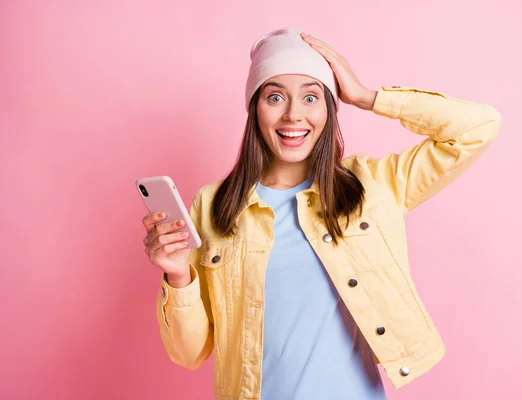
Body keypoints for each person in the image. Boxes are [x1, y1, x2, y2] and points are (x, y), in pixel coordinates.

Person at [141, 27, 502, 400]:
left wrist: (366, 96)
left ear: (330, 108)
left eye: (312, 97)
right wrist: (178, 274)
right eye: (275, 97)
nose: (293, 115)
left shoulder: (375, 186)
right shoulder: (215, 203)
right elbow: (189, 352)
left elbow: (478, 127)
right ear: (255, 108)